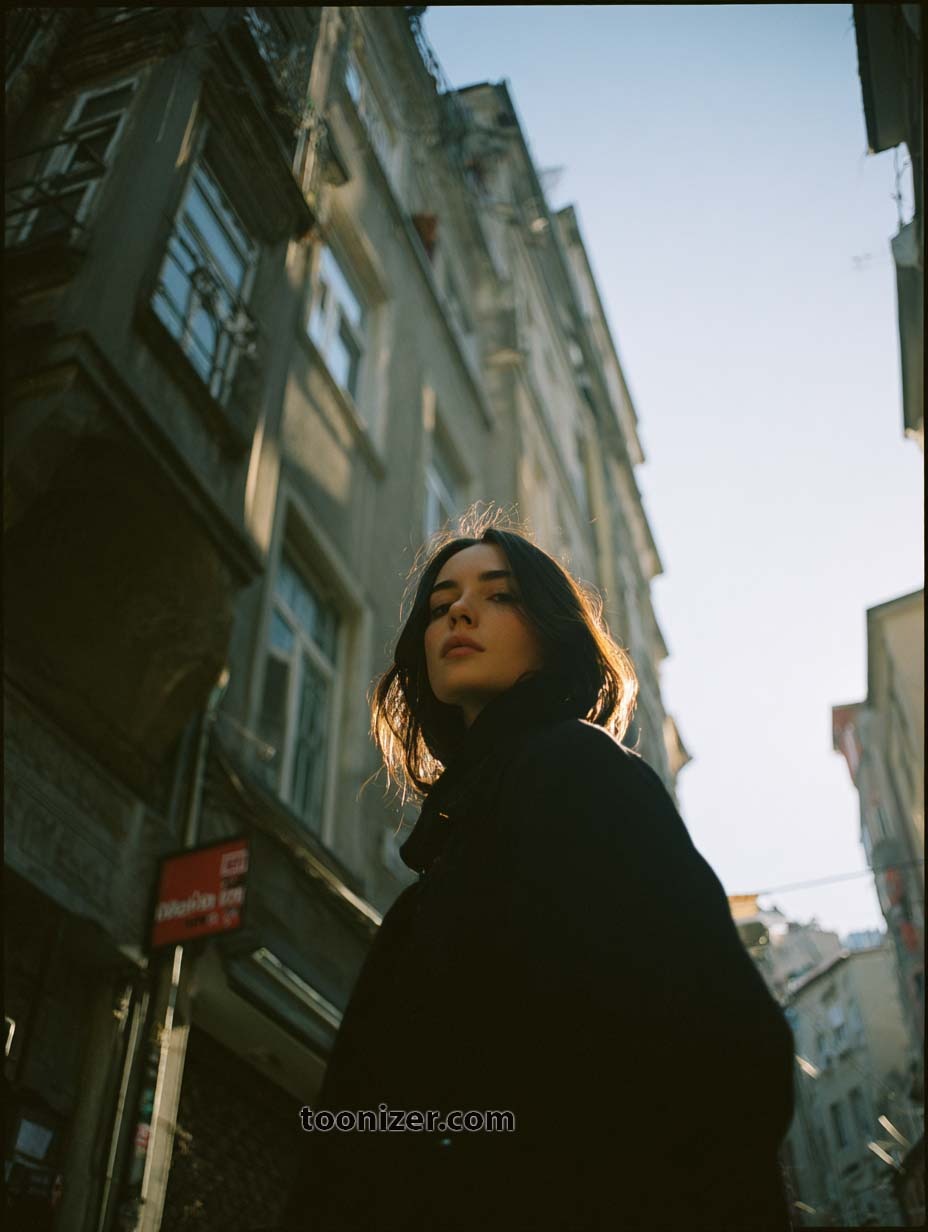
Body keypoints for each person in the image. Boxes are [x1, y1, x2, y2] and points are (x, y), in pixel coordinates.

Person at [281, 515, 795, 1231]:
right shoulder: (456, 849)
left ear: (552, 631)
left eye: (499, 595)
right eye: (439, 605)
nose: (459, 611)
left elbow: (721, 1043)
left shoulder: (573, 770)